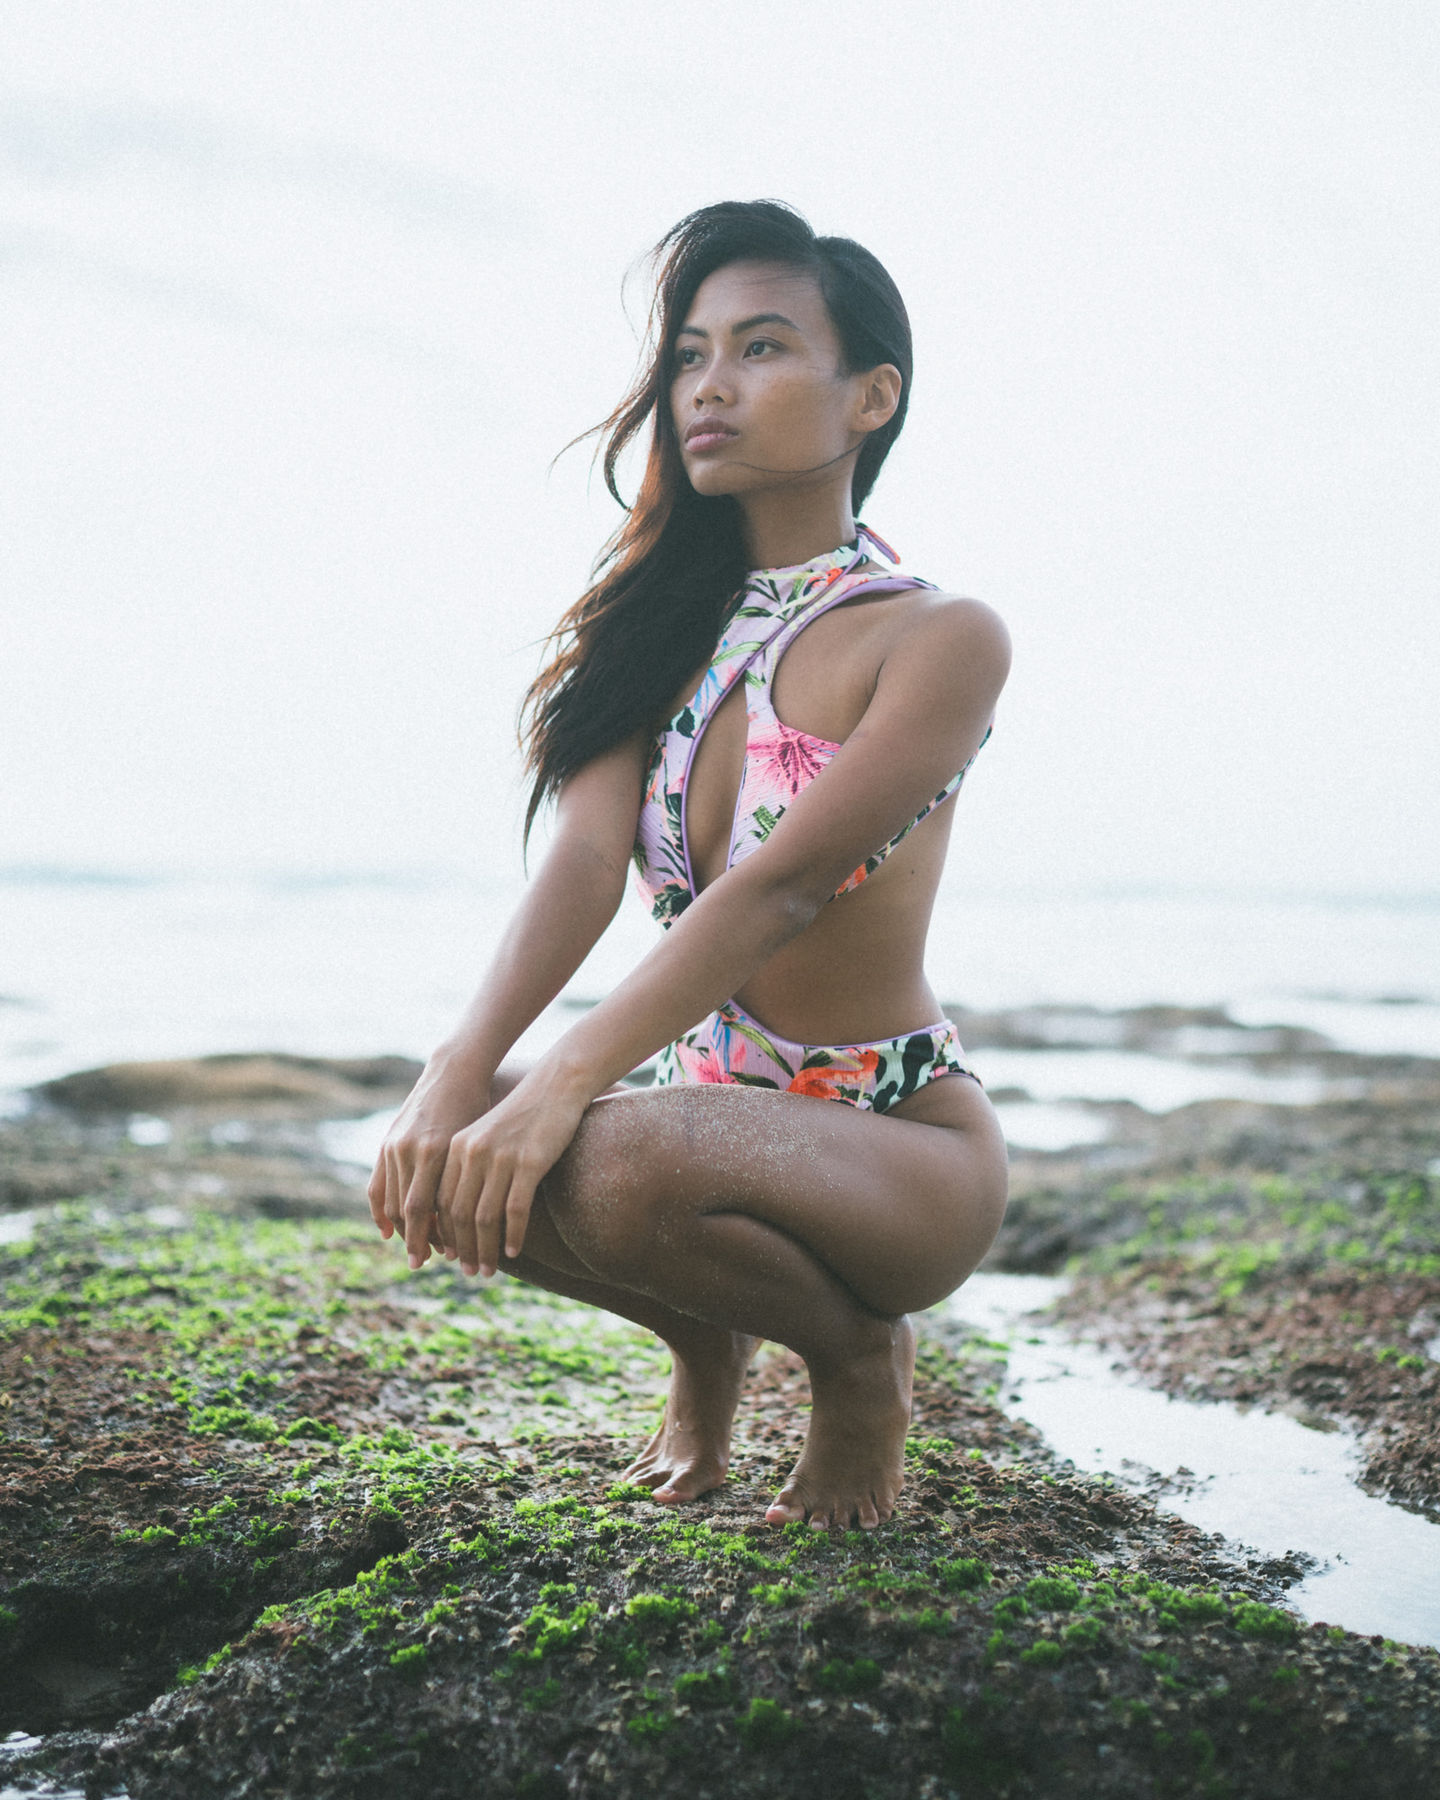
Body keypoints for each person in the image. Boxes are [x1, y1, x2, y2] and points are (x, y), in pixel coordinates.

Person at [369, 200, 1011, 1531]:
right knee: (440, 1149)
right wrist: (454, 1077)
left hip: (895, 1153)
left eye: (764, 347)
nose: (708, 385)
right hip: (705, 1118)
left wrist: (566, 1086)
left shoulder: (937, 637)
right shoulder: (652, 629)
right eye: (689, 354)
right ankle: (704, 1349)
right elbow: (584, 863)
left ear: (869, 398)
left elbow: (776, 892)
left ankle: (853, 1366)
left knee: (600, 1161)